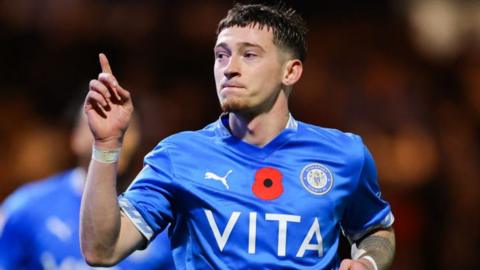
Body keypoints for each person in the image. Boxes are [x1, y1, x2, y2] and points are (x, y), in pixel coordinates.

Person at [80, 3, 395, 270]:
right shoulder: (178, 156)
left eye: (249, 55)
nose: (229, 68)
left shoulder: (344, 155)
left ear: (291, 72)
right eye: (221, 55)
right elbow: (101, 250)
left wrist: (368, 262)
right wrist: (106, 147)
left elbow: (376, 229)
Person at [0, 108, 175, 270]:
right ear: (74, 138)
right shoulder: (24, 207)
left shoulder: (161, 217)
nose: (115, 135)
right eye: (98, 123)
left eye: (126, 128)